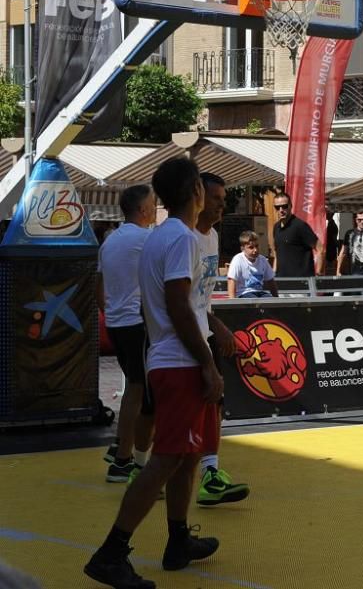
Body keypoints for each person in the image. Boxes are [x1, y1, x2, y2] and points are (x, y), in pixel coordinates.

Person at [85, 158, 222, 589]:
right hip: (179, 361)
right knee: (166, 458)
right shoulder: (180, 238)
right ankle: (111, 553)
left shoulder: (159, 236)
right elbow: (179, 305)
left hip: (167, 356)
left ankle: (178, 539)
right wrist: (206, 361)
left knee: (186, 456)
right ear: (195, 190)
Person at [191, 173, 251, 507]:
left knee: (214, 400)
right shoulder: (181, 239)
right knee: (162, 416)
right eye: (217, 198)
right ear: (197, 197)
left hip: (202, 330)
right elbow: (179, 303)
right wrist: (217, 325)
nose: (223, 204)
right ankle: (137, 465)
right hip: (178, 339)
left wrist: (212, 324)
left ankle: (211, 474)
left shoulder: (212, 236)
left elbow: (199, 298)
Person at [99, 185, 156, 483]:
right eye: (153, 204)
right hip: (137, 324)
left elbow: (99, 287)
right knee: (142, 393)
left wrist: (111, 312)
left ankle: (121, 448)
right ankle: (124, 460)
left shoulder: (110, 241)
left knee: (135, 388)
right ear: (144, 210)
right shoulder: (147, 239)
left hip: (117, 323)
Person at [272, 192, 319, 278]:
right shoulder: (276, 227)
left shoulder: (300, 226)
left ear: (290, 206)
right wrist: (273, 272)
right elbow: (276, 252)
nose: (281, 210)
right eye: (277, 207)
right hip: (281, 280)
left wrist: (319, 273)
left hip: (300, 282)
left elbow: (321, 248)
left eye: (284, 206)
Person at [227, 230, 279, 298]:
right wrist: (232, 303)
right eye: (251, 247)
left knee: (268, 300)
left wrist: (276, 299)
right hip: (243, 293)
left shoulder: (262, 259)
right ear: (242, 248)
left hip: (259, 292)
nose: (255, 250)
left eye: (257, 246)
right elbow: (231, 281)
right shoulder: (238, 259)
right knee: (253, 299)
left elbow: (270, 281)